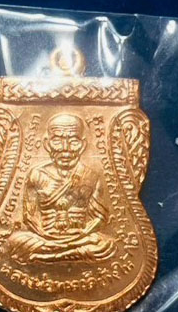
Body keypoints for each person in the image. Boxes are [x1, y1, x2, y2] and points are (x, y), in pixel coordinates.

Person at [7, 113, 116, 264]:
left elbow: (100, 218)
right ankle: (67, 254)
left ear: (83, 145)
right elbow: (29, 217)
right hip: (45, 237)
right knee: (15, 241)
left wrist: (83, 233)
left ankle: (48, 257)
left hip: (79, 237)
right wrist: (45, 235)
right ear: (47, 144)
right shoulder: (37, 174)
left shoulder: (91, 176)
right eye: (57, 141)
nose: (66, 149)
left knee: (106, 244)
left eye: (73, 141)